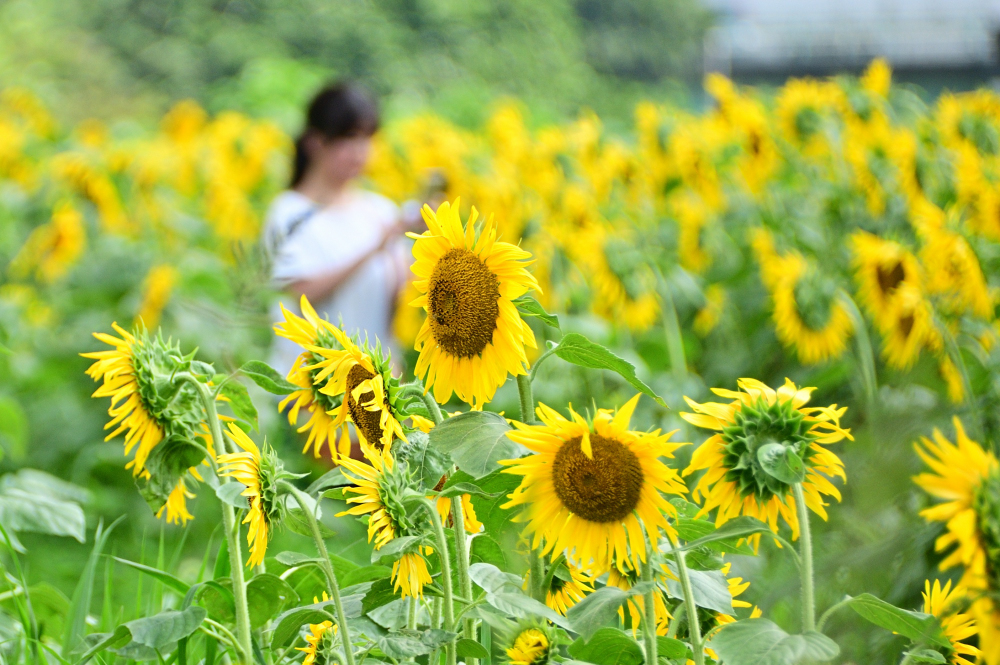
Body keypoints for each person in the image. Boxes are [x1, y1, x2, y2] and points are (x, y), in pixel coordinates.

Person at [263, 82, 420, 375]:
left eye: (367, 139)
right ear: (315, 141)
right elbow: (301, 293)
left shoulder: (381, 210)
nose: (360, 152)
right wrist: (376, 246)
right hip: (313, 389)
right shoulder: (289, 212)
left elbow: (403, 296)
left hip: (375, 389)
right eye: (348, 138)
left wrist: (427, 240)